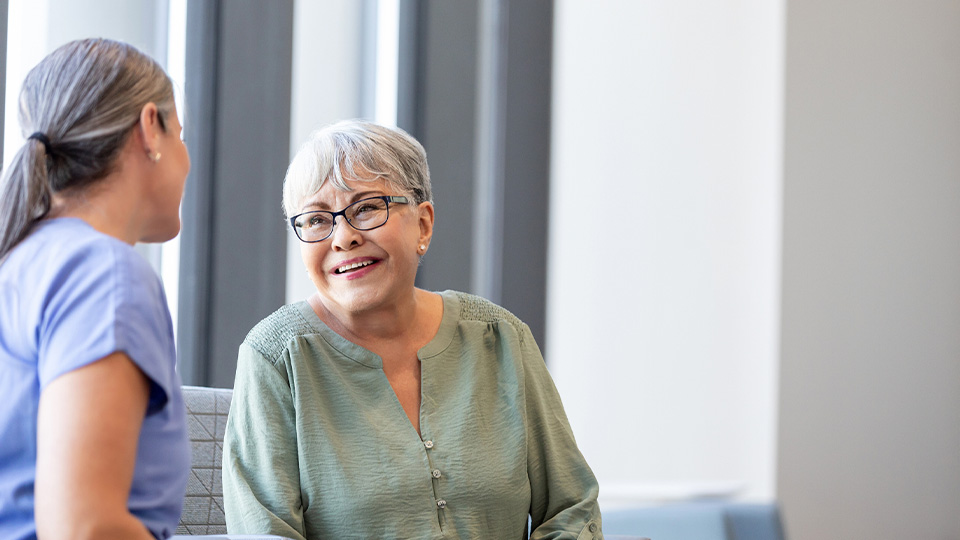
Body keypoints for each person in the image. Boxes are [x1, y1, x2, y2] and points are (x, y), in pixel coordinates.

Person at [223, 119, 603, 540]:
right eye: (315, 220)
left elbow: (573, 508)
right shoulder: (275, 357)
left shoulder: (499, 337)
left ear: (423, 224)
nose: (343, 237)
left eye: (366, 208)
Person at [0, 38, 191, 540]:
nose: (188, 161)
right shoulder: (102, 275)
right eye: (183, 136)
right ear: (151, 127)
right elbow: (83, 528)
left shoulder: (24, 261)